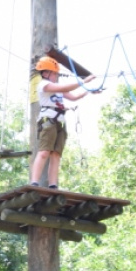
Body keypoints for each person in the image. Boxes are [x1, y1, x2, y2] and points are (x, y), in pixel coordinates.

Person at [29, 56, 101, 189]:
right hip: (48, 120)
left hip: (60, 122)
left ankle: (53, 185)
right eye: (54, 73)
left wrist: (89, 91)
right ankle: (34, 182)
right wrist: (83, 81)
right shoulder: (44, 85)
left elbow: (74, 97)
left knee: (56, 154)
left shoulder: (58, 89)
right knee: (44, 152)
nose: (56, 76)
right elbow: (67, 87)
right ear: (45, 73)